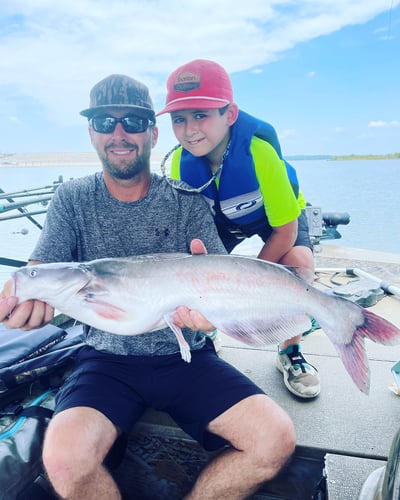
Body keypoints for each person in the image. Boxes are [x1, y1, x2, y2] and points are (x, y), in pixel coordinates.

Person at [0, 74, 295, 499]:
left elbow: (215, 303)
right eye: (104, 122)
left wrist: (208, 318)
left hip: (184, 357)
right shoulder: (71, 199)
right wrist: (27, 304)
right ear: (91, 133)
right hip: (104, 361)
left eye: (133, 122)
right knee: (64, 458)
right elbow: (41, 269)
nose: (119, 134)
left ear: (153, 133)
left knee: (274, 437)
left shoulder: (188, 200)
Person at [157, 59, 320, 399]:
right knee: (194, 266)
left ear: (229, 114)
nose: (189, 130)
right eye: (178, 119)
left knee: (299, 263)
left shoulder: (259, 152)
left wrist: (252, 279)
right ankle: (205, 332)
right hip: (222, 220)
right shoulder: (177, 164)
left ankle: (290, 350)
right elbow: (188, 234)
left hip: (274, 221)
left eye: (201, 114)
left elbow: (285, 232)